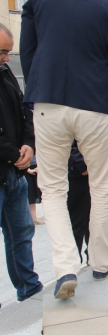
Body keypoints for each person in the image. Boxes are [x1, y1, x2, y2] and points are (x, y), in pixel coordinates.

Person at [20, 0, 108, 299]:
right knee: (101, 184)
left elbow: (28, 51)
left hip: (48, 101)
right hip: (95, 104)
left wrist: (38, 91)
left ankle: (65, 268)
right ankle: (100, 261)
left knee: (52, 189)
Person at [0, 23, 44, 304]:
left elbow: (24, 110)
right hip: (8, 163)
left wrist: (29, 144)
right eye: (2, 52)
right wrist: (13, 153)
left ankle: (29, 289)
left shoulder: (6, 74)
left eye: (7, 52)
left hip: (13, 173)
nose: (6, 58)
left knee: (21, 232)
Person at [26, 155, 44, 225]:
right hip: (25, 169)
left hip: (35, 167)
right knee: (28, 195)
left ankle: (34, 218)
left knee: (33, 195)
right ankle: (28, 219)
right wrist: (27, 170)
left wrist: (38, 166)